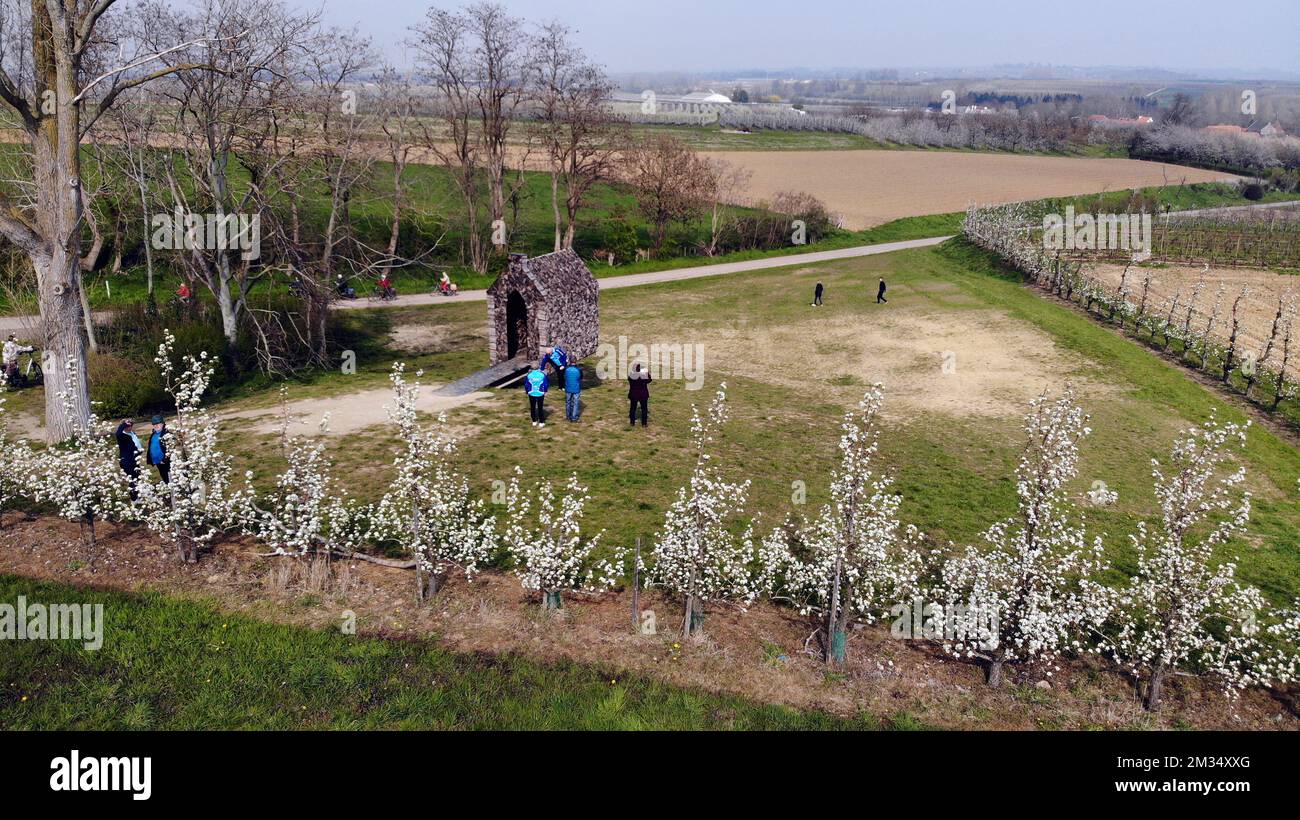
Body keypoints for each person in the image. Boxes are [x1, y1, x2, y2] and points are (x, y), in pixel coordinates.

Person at [114, 419, 144, 501]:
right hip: (127, 461)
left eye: (131, 426)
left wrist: (139, 451)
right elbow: (118, 433)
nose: (130, 427)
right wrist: (123, 424)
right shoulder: (122, 436)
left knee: (137, 477)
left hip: (134, 459)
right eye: (128, 426)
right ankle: (134, 498)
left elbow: (135, 445)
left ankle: (137, 495)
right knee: (133, 478)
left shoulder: (132, 434)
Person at [146, 414, 171, 483]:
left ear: (162, 423)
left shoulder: (166, 434)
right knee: (165, 479)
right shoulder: (154, 434)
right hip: (158, 462)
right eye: (154, 424)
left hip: (166, 462)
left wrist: (165, 460)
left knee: (170, 479)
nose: (156, 425)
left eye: (158, 423)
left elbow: (170, 448)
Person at [628, 362, 651, 427]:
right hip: (643, 394)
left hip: (634, 394)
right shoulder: (644, 374)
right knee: (644, 409)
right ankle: (644, 423)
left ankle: (632, 423)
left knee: (632, 409)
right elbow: (649, 380)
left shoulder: (631, 374)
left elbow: (629, 380)